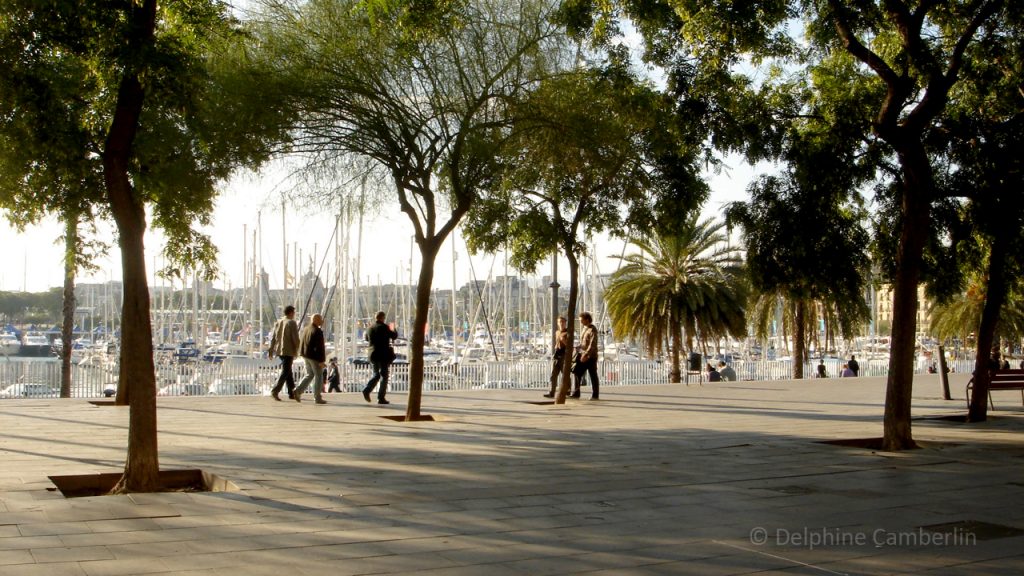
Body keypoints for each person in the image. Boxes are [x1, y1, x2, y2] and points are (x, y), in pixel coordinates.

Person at [363, 311, 398, 405]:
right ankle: (381, 397)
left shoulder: (370, 328)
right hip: (383, 355)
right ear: (382, 318)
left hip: (372, 354)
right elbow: (394, 336)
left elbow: (367, 338)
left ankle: (367, 390)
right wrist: (394, 329)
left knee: (376, 375)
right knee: (384, 376)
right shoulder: (384, 327)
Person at [268, 305, 299, 401]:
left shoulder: (279, 322)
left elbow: (273, 337)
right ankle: (275, 390)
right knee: (285, 371)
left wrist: (271, 350)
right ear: (290, 313)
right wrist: (299, 348)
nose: (294, 314)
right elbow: (295, 339)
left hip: (279, 350)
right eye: (294, 312)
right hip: (288, 350)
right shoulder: (292, 323)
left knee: (288, 371)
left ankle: (292, 392)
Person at [294, 314, 327, 404]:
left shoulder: (306, 329)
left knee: (309, 374)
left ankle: (298, 391)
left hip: (305, 355)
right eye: (320, 319)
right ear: (316, 320)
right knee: (319, 376)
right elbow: (320, 348)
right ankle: (317, 397)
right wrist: (321, 361)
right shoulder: (317, 331)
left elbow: (302, 342)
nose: (322, 321)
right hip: (314, 357)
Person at [571, 311, 600, 399]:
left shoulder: (592, 329)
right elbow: (583, 343)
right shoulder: (584, 329)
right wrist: (577, 347)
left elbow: (592, 344)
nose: (581, 322)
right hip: (582, 354)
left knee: (593, 375)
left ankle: (595, 395)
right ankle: (576, 392)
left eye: (582, 320)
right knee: (576, 372)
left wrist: (586, 354)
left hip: (590, 357)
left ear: (587, 319)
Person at [543, 316, 569, 398]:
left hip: (564, 354)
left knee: (565, 374)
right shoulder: (557, 332)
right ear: (558, 323)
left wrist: (563, 340)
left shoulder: (568, 332)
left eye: (563, 322)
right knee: (553, 375)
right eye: (560, 322)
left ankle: (567, 390)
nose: (561, 323)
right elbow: (556, 343)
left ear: (565, 323)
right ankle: (551, 392)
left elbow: (569, 345)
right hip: (557, 354)